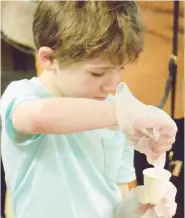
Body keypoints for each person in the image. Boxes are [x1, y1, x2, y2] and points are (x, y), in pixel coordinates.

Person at [0, 1, 178, 218]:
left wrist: (141, 208)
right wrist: (121, 115)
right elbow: (36, 118)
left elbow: (117, 203)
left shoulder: (114, 114)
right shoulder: (22, 96)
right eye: (97, 73)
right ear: (48, 58)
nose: (112, 85)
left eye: (119, 69)